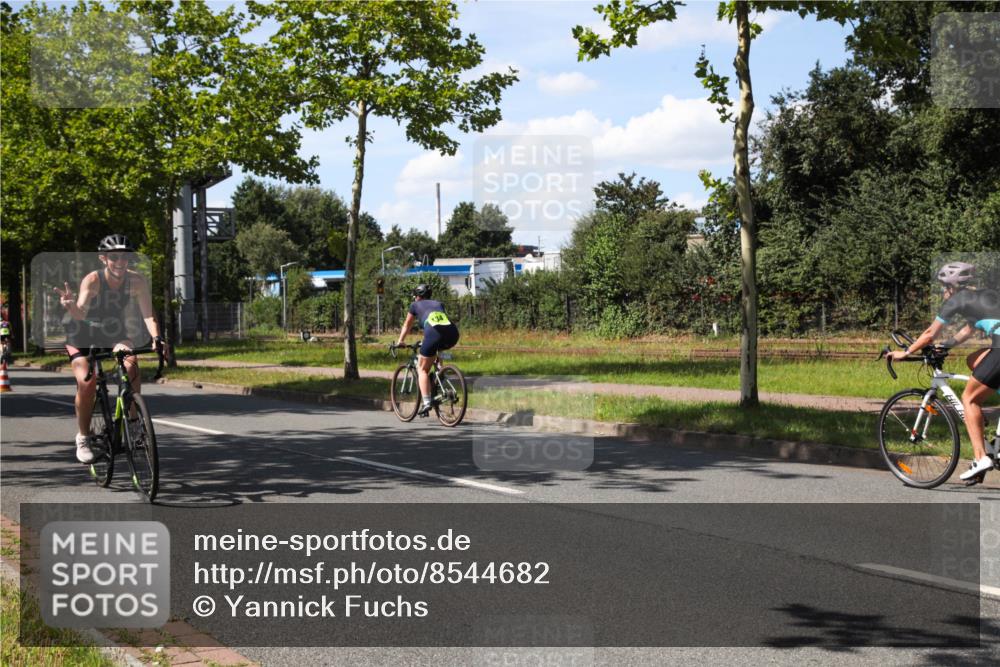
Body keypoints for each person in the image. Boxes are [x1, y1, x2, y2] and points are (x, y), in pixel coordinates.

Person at [889, 262, 1000, 484]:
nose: (942, 291)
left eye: (942, 286)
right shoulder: (982, 296)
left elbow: (930, 333)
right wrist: (946, 346)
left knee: (970, 398)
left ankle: (981, 458)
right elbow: (968, 329)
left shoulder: (955, 300)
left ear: (951, 286)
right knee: (973, 360)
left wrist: (906, 352)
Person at [54, 235, 162, 463]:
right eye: (114, 257)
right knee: (87, 381)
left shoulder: (137, 281)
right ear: (104, 259)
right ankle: (83, 436)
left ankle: (134, 425)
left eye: (125, 257)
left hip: (112, 331)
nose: (120, 262)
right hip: (81, 333)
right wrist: (71, 305)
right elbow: (81, 313)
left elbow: (148, 314)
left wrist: (157, 338)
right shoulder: (92, 280)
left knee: (131, 364)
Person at [394, 284, 460, 416]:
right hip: (453, 334)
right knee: (436, 352)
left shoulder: (414, 305)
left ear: (417, 296)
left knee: (422, 369)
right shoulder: (438, 303)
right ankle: (440, 374)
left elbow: (407, 324)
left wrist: (400, 341)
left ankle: (426, 402)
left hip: (434, 334)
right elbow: (439, 325)